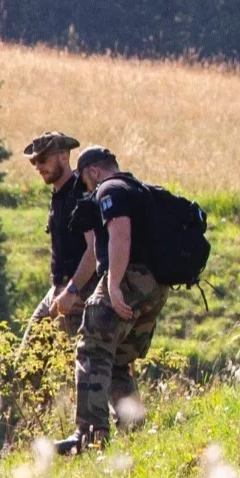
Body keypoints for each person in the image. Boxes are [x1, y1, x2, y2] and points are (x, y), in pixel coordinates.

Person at [68, 146, 171, 450]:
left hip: (129, 277)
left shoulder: (109, 189)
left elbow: (120, 235)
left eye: (86, 182)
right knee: (118, 360)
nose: (88, 190)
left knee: (91, 348)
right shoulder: (141, 189)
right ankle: (134, 432)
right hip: (157, 286)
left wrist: (113, 284)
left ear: (94, 172)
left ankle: (89, 435)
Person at [21, 132, 92, 340]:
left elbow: (94, 250)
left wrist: (72, 291)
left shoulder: (81, 195)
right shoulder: (58, 195)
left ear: (64, 156)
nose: (38, 167)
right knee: (26, 367)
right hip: (57, 290)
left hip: (79, 293)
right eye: (34, 162)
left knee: (80, 368)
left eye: (43, 159)